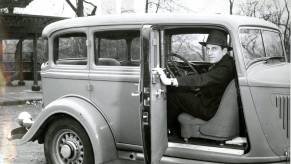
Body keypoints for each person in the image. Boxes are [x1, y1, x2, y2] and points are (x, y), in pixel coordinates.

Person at [155, 29, 235, 133]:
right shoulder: (225, 62)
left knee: (175, 96)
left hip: (210, 109)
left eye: (214, 49)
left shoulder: (225, 68)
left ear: (224, 51)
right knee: (180, 91)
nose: (209, 53)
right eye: (208, 49)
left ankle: (166, 130)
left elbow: (203, 79)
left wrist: (169, 80)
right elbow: (206, 79)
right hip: (210, 101)